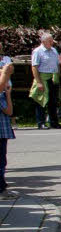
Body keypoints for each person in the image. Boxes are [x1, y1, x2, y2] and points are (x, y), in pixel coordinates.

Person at [30, 31, 61, 129]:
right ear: (43, 41)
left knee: (53, 102)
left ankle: (54, 122)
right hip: (42, 78)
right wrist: (39, 82)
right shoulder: (37, 51)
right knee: (41, 101)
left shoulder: (54, 50)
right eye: (50, 41)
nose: (52, 42)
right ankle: (41, 122)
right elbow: (34, 67)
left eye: (52, 41)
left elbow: (58, 63)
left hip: (53, 78)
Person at [0, 56, 14, 193]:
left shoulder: (3, 95)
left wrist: (8, 95)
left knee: (2, 161)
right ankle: (1, 189)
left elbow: (10, 112)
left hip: (3, 132)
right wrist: (5, 73)